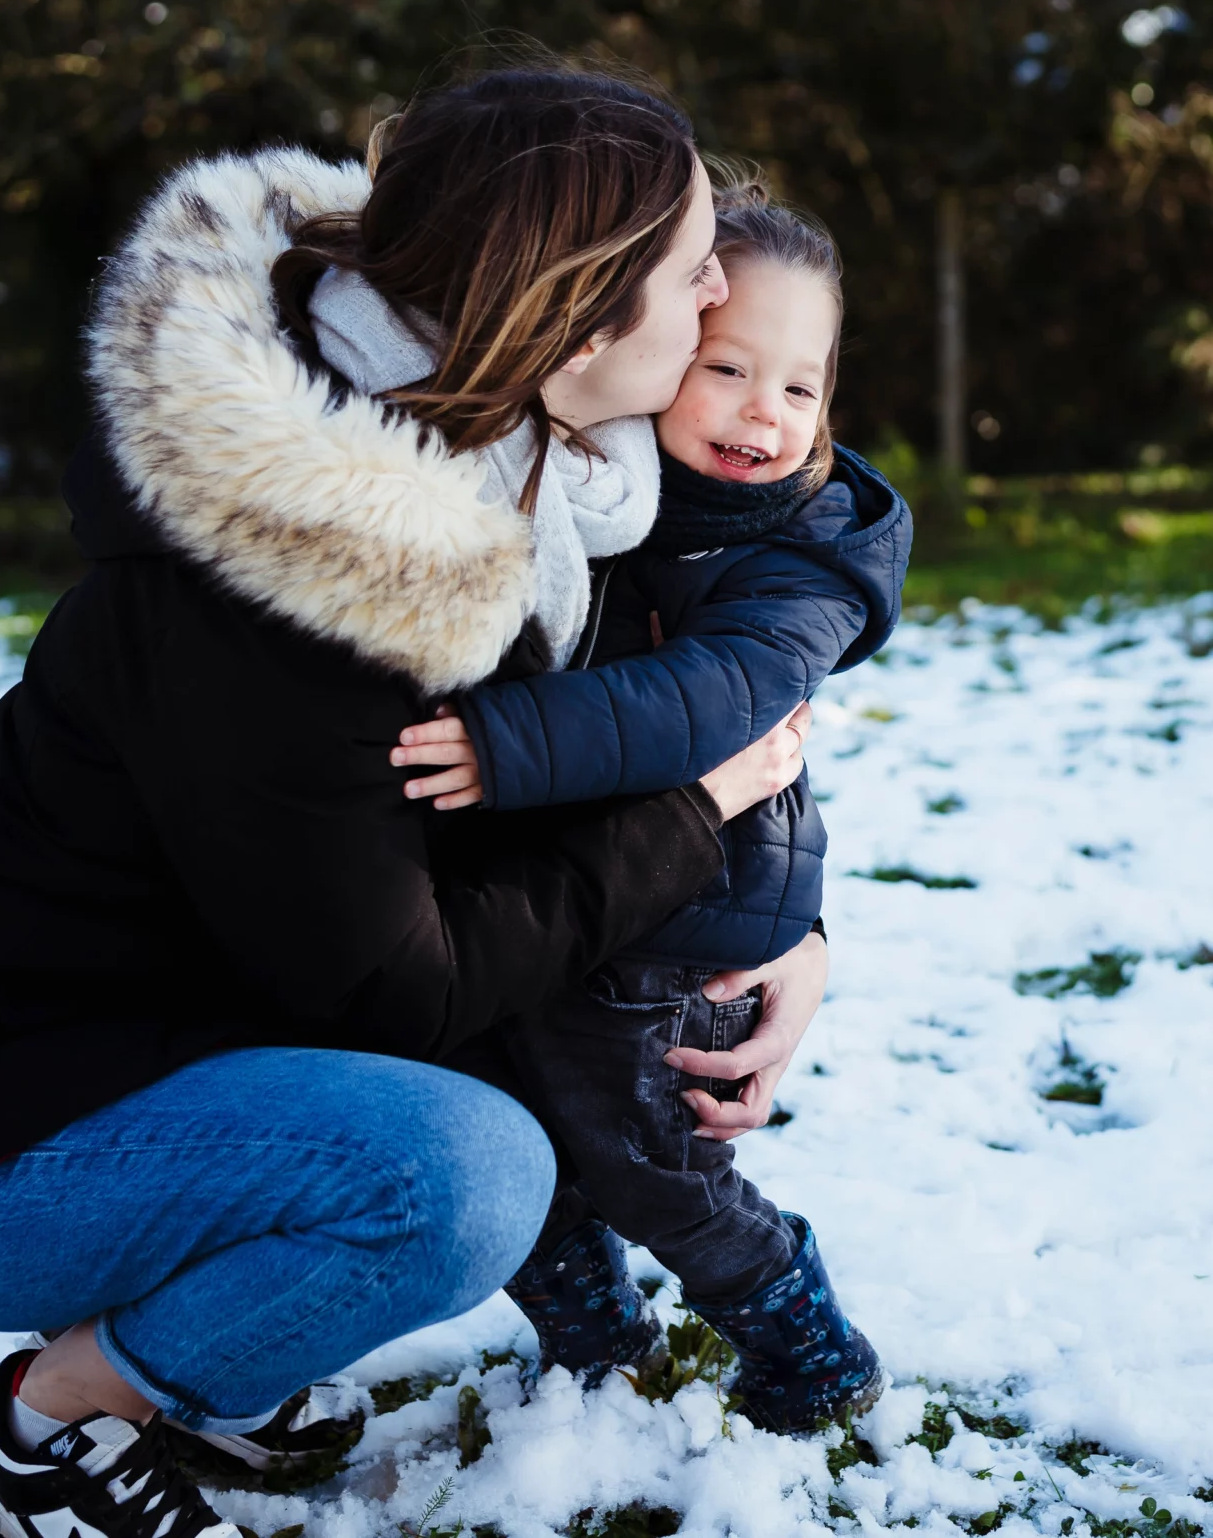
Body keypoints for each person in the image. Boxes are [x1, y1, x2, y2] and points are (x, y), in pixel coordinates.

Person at [0, 66, 825, 1538]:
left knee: (473, 1101)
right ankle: (60, 1416)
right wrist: (688, 822)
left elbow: (687, 718)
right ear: (575, 316)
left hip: (164, 1029)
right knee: (463, 1175)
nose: (718, 287)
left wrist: (785, 928)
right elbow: (404, 986)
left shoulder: (562, 476)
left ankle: (207, 1367)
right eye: (690, 260)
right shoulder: (305, 592)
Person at [388, 185, 908, 1434]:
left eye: (801, 386)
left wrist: (507, 744)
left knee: (645, 1156)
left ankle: (805, 1334)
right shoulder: (610, 499)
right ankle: (590, 1333)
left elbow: (712, 697)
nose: (763, 413)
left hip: (681, 916)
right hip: (553, 892)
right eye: (727, 365)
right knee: (502, 1113)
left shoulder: (811, 549)